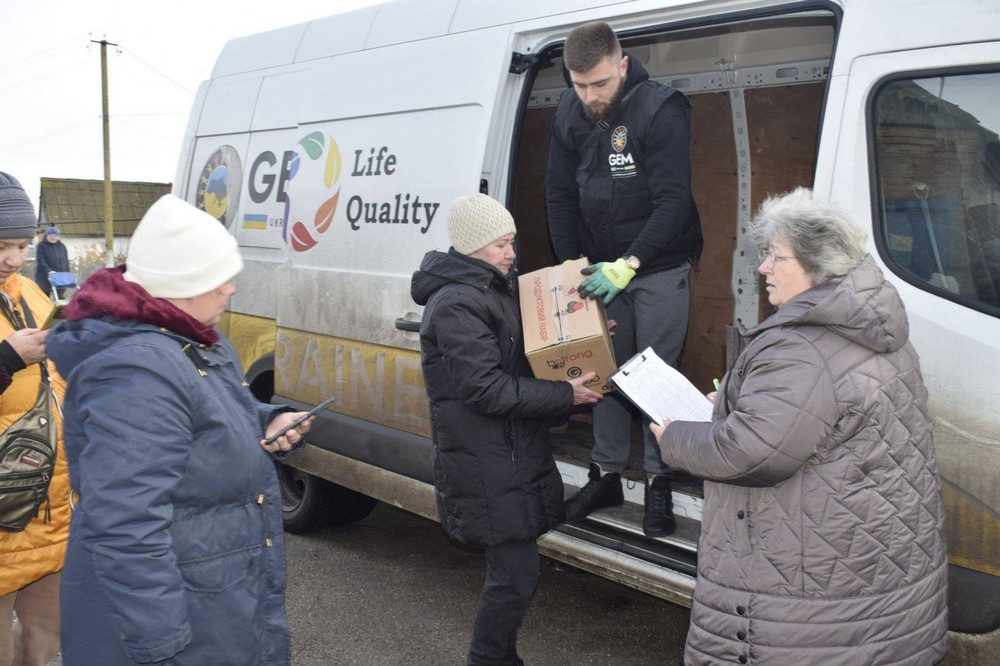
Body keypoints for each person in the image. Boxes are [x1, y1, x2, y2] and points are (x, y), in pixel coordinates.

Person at [651, 188, 949, 664]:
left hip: (808, 591)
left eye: (774, 256)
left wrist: (675, 436)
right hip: (872, 567)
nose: (762, 267)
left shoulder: (800, 348)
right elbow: (816, 421)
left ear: (817, 264)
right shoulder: (870, 323)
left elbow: (749, 452)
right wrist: (732, 403)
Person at [47, 194, 317, 665]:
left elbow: (203, 415)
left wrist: (266, 418)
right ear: (181, 284)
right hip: (184, 622)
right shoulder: (137, 372)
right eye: (219, 279)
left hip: (215, 599)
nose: (230, 290)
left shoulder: (190, 339)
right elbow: (127, 525)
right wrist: (162, 647)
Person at [411, 193, 602, 665]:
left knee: (515, 574)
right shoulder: (457, 302)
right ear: (475, 246)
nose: (512, 254)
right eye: (502, 245)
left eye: (512, 242)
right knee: (515, 576)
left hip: (507, 453)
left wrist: (583, 340)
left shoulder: (493, 290)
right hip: (485, 459)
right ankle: (489, 659)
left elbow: (522, 359)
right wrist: (566, 396)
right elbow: (485, 389)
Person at [545, 21, 703, 536]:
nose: (590, 96)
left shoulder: (661, 108)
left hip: (657, 267)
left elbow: (673, 201)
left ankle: (660, 482)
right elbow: (559, 195)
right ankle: (607, 472)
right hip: (598, 269)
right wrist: (572, 268)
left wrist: (630, 263)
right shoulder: (570, 111)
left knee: (655, 376)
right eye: (579, 85)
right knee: (603, 371)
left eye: (600, 84)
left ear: (623, 65)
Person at [0, 172, 69, 666]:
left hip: (51, 511)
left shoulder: (29, 291)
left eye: (22, 245)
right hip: (3, 513)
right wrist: (5, 360)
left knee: (45, 645)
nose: (15, 259)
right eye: (3, 245)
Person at [33, 227, 70, 300]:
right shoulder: (41, 245)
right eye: (51, 235)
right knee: (44, 296)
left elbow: (65, 260)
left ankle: (60, 310)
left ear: (58, 236)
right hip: (44, 276)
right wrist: (48, 271)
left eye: (55, 236)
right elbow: (40, 260)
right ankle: (44, 310)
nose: (53, 237)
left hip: (59, 275)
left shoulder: (62, 246)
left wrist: (67, 272)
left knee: (60, 296)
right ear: (47, 236)